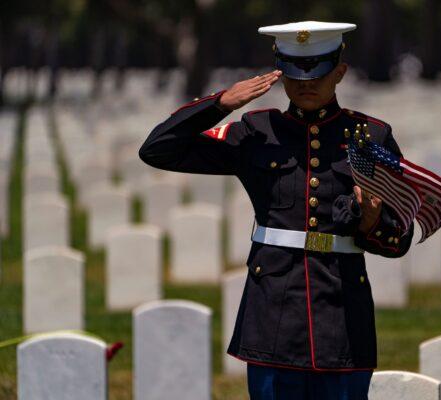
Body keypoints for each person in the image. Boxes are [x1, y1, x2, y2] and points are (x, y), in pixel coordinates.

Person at [139, 21, 414, 400]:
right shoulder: (257, 132)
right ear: (280, 73)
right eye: (294, 73)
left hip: (342, 317)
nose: (306, 83)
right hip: (273, 313)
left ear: (339, 72)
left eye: (317, 72)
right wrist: (218, 104)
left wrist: (372, 222)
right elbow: (157, 150)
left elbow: (400, 236)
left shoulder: (370, 136)